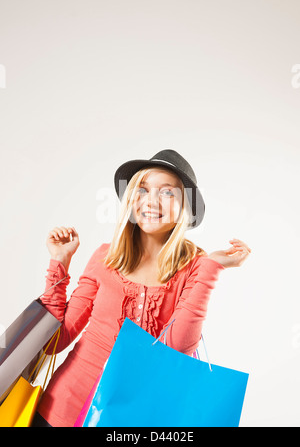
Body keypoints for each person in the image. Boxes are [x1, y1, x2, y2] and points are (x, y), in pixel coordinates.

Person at [32, 149, 251, 427]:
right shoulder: (104, 257)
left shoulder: (196, 266)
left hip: (135, 419)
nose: (151, 201)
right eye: (143, 189)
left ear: (186, 207)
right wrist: (59, 262)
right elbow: (55, 341)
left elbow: (176, 353)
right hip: (62, 410)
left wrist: (212, 267)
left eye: (168, 192)